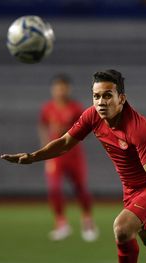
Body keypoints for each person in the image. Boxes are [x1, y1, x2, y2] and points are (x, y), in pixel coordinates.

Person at [2, 69, 146, 263]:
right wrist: (33, 157)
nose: (101, 102)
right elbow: (65, 142)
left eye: (107, 96)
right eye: (96, 96)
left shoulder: (138, 127)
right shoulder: (92, 116)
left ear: (121, 98)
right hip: (132, 190)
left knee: (122, 228)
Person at [38, 74, 98, 242]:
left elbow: (87, 127)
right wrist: (45, 151)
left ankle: (87, 222)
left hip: (74, 154)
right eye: (57, 87)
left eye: (63, 87)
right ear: (53, 90)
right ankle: (61, 224)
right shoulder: (47, 108)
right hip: (55, 156)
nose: (60, 90)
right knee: (54, 189)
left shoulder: (76, 108)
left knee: (81, 189)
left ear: (68, 89)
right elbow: (43, 126)